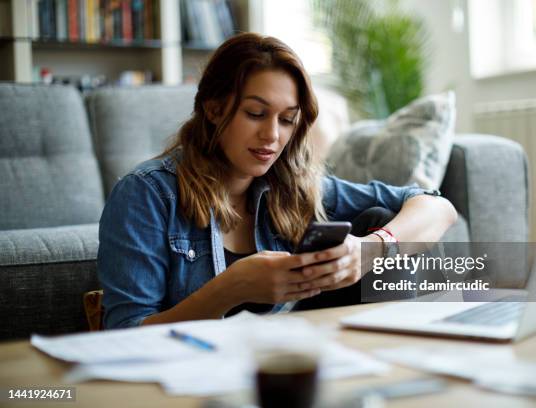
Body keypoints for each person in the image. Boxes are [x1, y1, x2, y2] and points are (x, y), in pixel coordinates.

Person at [98, 33, 457, 329]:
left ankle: (395, 376)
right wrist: (231, 288)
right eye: (256, 113)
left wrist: (371, 249)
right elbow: (126, 334)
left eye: (287, 120)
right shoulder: (147, 194)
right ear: (214, 108)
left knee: (378, 219)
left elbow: (436, 205)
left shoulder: (294, 186)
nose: (271, 135)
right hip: (201, 371)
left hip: (297, 360)